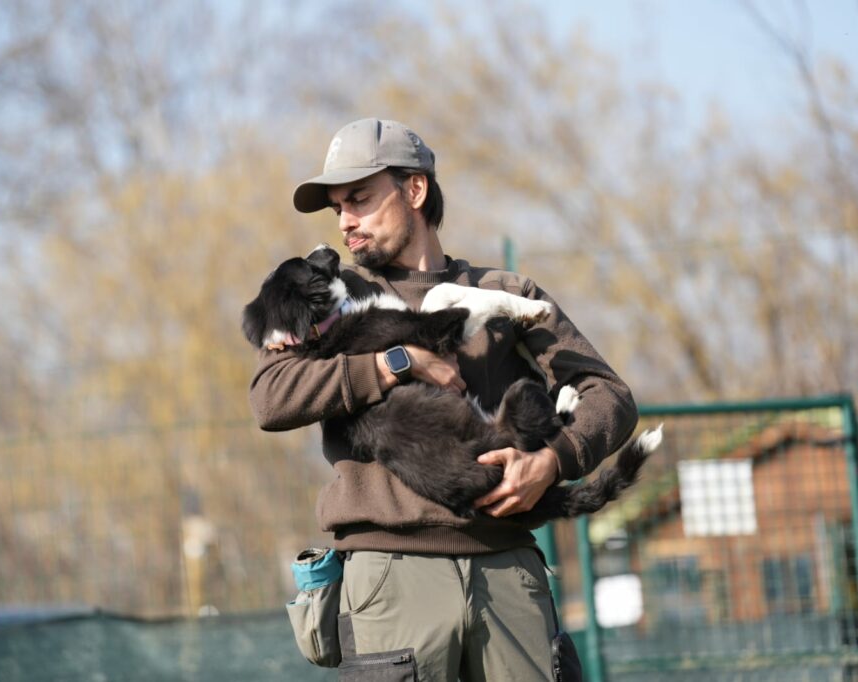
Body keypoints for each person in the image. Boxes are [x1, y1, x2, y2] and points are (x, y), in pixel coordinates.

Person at [249, 118, 638, 681]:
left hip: (507, 568)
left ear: (415, 190)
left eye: (359, 199)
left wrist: (552, 460)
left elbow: (610, 395)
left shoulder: (507, 295)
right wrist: (394, 361)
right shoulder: (332, 297)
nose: (346, 222)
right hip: (389, 575)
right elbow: (269, 397)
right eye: (337, 209)